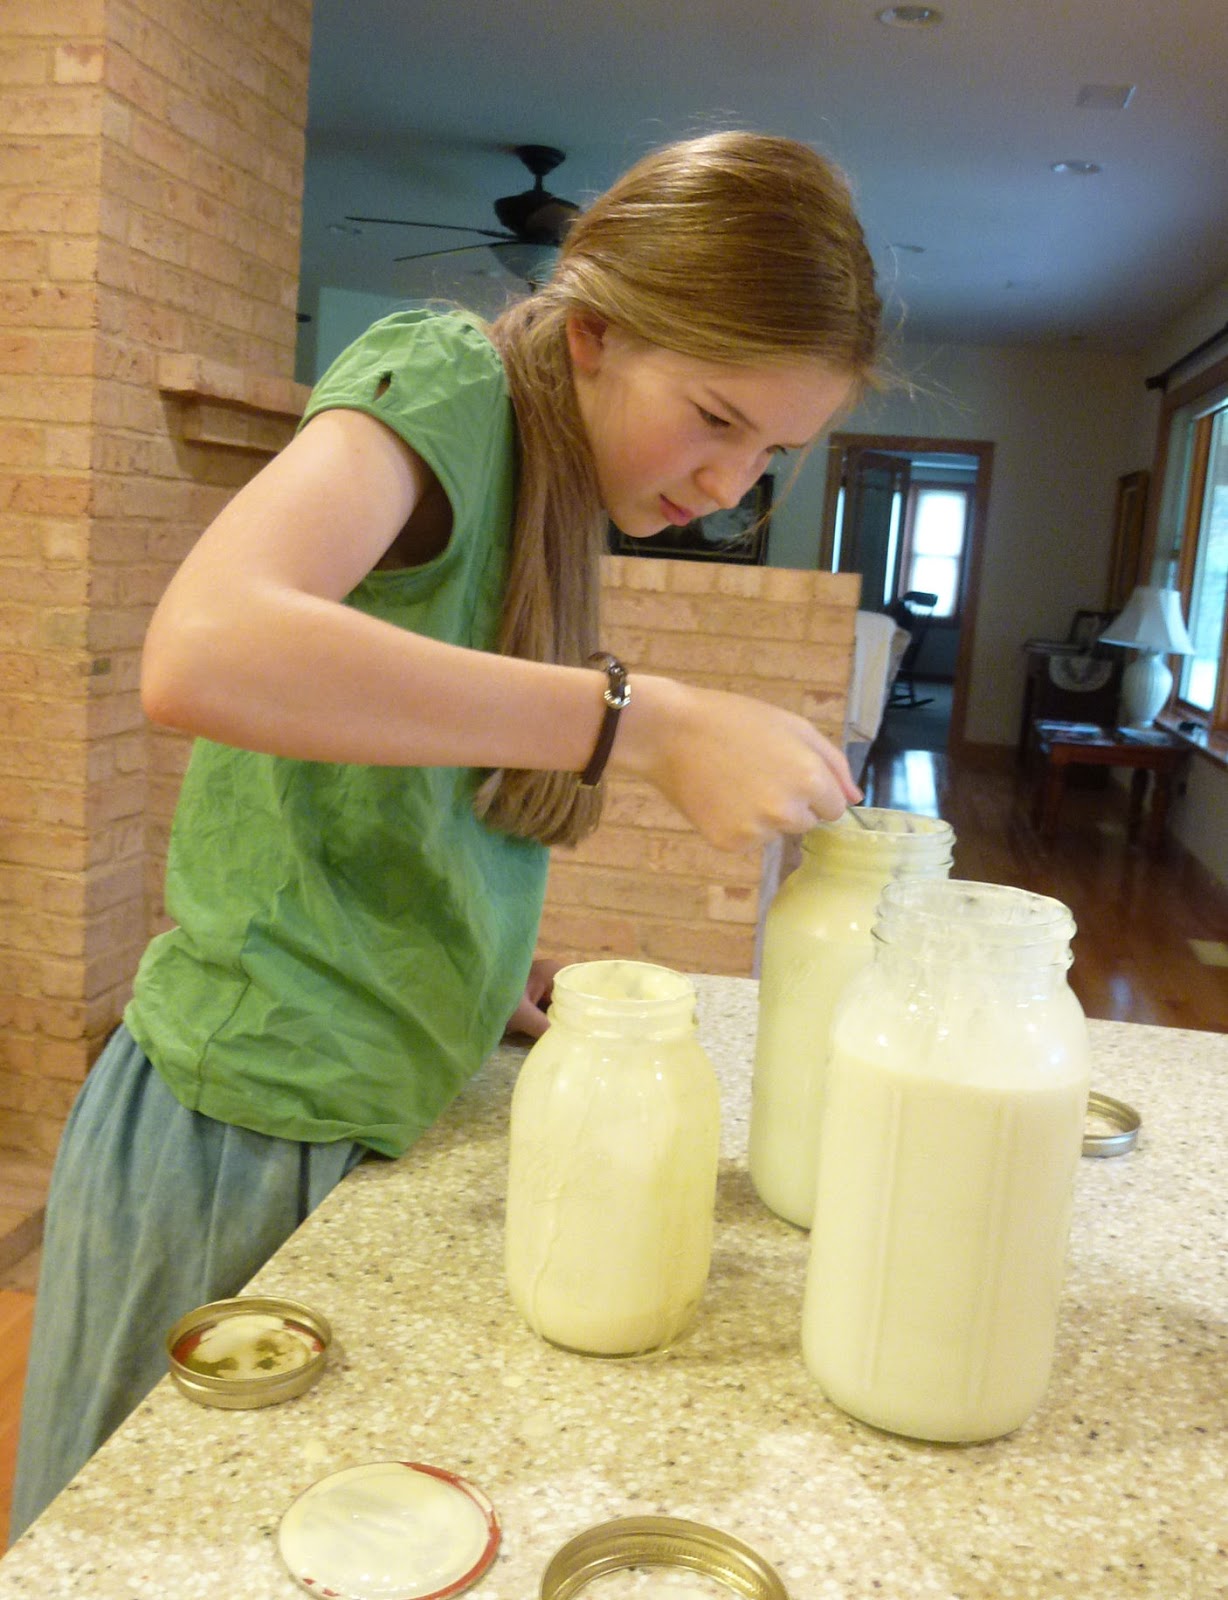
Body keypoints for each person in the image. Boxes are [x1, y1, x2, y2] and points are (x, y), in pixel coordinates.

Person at [10, 129, 882, 1538]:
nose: (732, 486)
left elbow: (401, 775)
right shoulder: (447, 376)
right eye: (717, 418)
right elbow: (206, 649)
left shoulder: (549, 481)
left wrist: (481, 956)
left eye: (773, 451)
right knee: (132, 1549)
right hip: (239, 1125)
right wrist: (643, 721)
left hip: (371, 1100)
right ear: (595, 331)